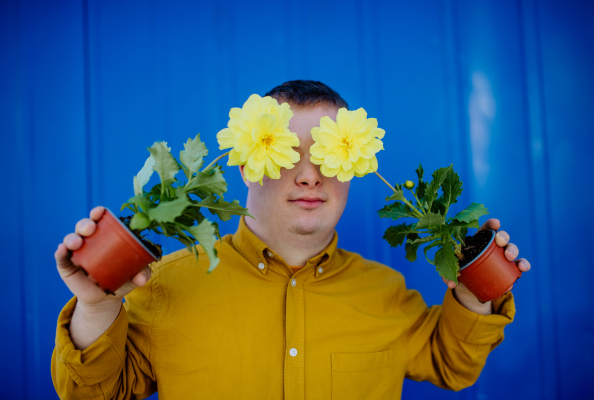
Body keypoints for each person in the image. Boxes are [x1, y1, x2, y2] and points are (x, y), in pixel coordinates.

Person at [51, 80, 530, 399]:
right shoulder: (159, 287)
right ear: (243, 164)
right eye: (285, 153)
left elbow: (453, 364)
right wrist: (96, 308)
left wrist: (474, 293)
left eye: (326, 155)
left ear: (355, 164)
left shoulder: (386, 294)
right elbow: (93, 392)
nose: (308, 176)